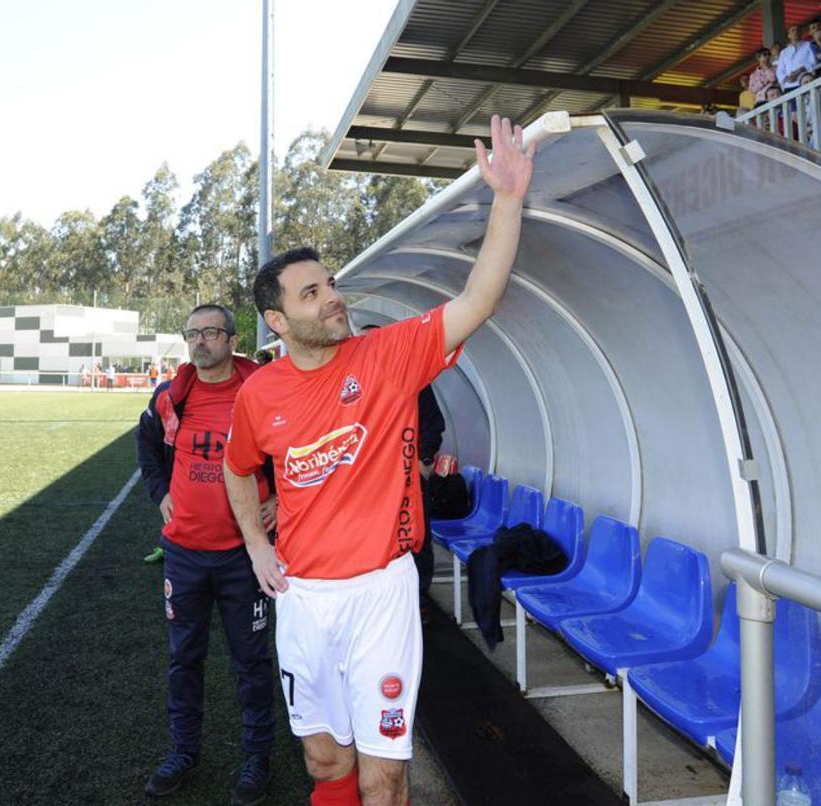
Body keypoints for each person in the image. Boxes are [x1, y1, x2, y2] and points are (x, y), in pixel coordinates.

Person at [222, 114, 534, 806]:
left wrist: (507, 198)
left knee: (384, 773)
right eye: (312, 294)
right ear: (277, 322)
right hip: (303, 598)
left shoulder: (388, 356)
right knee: (325, 761)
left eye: (329, 283)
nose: (333, 296)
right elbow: (237, 467)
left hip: (382, 595)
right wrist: (254, 544)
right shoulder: (259, 394)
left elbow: (479, 299)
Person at [135, 304, 278, 803]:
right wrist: (160, 493)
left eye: (211, 332)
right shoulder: (170, 398)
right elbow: (147, 448)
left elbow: (291, 450)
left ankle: (257, 757)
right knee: (183, 659)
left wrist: (280, 498)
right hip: (185, 555)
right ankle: (183, 750)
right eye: (192, 333)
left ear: (232, 339)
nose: (200, 342)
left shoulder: (261, 389)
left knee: (252, 663)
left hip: (245, 556)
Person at [358, 323, 447, 615]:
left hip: (408, 479)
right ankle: (382, 600)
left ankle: (418, 601)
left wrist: (422, 463)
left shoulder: (414, 379)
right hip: (371, 484)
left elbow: (434, 425)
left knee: (418, 538)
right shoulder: (354, 386)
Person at [777, 24, 819, 91]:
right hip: (789, 85)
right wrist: (787, 78)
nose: (796, 32)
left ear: (801, 33)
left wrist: (801, 69)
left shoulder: (808, 45)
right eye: (793, 30)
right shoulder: (784, 52)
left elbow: (814, 62)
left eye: (798, 30)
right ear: (789, 35)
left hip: (806, 81)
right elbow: (780, 71)